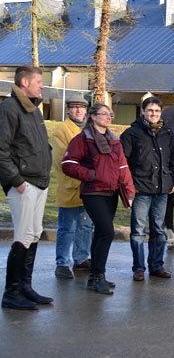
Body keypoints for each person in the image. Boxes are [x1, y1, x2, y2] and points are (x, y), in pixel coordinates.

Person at [62, 104, 136, 295]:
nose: (108, 117)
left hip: (111, 193)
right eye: (104, 114)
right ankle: (99, 276)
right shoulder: (83, 139)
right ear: (93, 117)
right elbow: (68, 164)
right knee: (107, 231)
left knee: (100, 234)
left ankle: (94, 277)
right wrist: (91, 175)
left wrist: (129, 189)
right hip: (93, 192)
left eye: (110, 114)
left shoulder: (114, 141)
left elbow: (122, 167)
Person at [0, 66, 53, 310]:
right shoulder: (10, 109)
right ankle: (11, 293)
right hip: (23, 184)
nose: (42, 85)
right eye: (39, 81)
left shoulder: (33, 109)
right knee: (22, 236)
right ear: (24, 82)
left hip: (39, 182)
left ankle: (25, 287)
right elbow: (1, 151)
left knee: (33, 233)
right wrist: (17, 180)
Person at [120, 97, 174, 281]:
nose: (153, 114)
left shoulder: (168, 134)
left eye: (157, 111)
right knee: (138, 230)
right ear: (143, 112)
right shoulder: (131, 134)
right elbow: (123, 163)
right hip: (141, 190)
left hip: (162, 190)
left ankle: (156, 266)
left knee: (158, 229)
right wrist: (129, 187)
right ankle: (139, 268)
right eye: (150, 110)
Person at [51, 93, 94, 280]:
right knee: (66, 228)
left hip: (88, 188)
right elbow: (62, 160)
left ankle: (81, 258)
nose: (78, 110)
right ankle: (62, 262)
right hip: (70, 187)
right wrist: (84, 176)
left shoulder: (90, 130)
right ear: (68, 109)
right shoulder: (61, 130)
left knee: (85, 226)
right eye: (74, 107)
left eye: (82, 107)